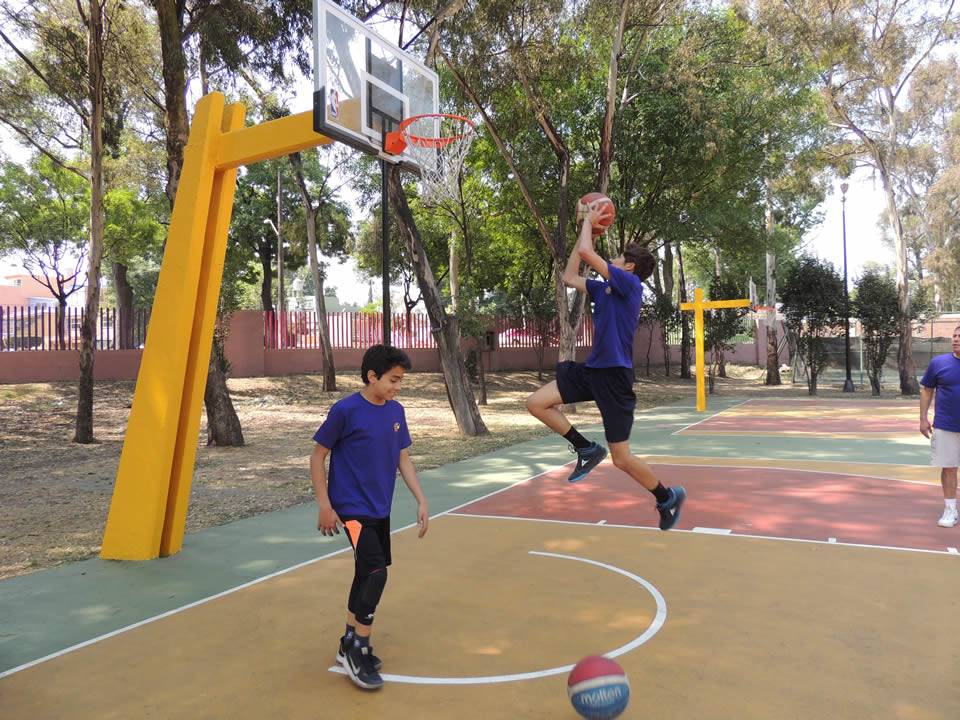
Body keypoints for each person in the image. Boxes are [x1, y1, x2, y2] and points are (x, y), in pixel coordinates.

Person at [525, 201, 686, 530]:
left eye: (618, 258)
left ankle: (667, 497)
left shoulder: (631, 285)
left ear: (629, 267)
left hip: (614, 377)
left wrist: (589, 222)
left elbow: (587, 253)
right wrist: (584, 234)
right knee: (536, 403)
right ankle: (585, 448)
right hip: (593, 371)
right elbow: (570, 276)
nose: (612, 260)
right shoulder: (605, 289)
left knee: (621, 459)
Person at [310, 344, 429, 690]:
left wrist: (421, 500)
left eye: (401, 380)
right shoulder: (345, 411)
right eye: (393, 380)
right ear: (372, 376)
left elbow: (403, 458)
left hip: (380, 507)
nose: (398, 387)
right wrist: (324, 505)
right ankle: (359, 648)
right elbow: (318, 456)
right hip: (350, 508)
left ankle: (348, 640)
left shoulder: (396, 411)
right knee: (377, 572)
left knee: (366, 571)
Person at [919, 325, 960, 528]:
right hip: (946, 425)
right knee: (949, 468)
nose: (956, 339)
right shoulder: (938, 363)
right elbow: (927, 390)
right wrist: (923, 418)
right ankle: (950, 510)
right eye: (954, 335)